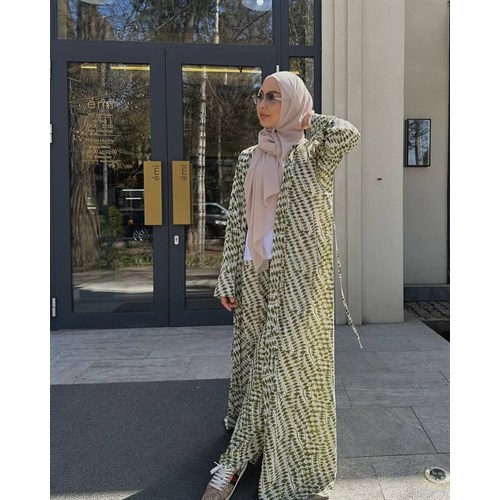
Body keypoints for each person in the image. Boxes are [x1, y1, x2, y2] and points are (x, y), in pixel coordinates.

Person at [201, 71, 362, 500]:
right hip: (255, 270)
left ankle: (234, 461)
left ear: (293, 103)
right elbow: (238, 222)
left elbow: (348, 133)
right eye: (261, 95)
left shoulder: (314, 154)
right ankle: (255, 438)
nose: (263, 104)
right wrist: (227, 276)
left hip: (300, 277)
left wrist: (310, 120)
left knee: (284, 361)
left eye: (274, 97)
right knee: (258, 354)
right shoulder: (247, 157)